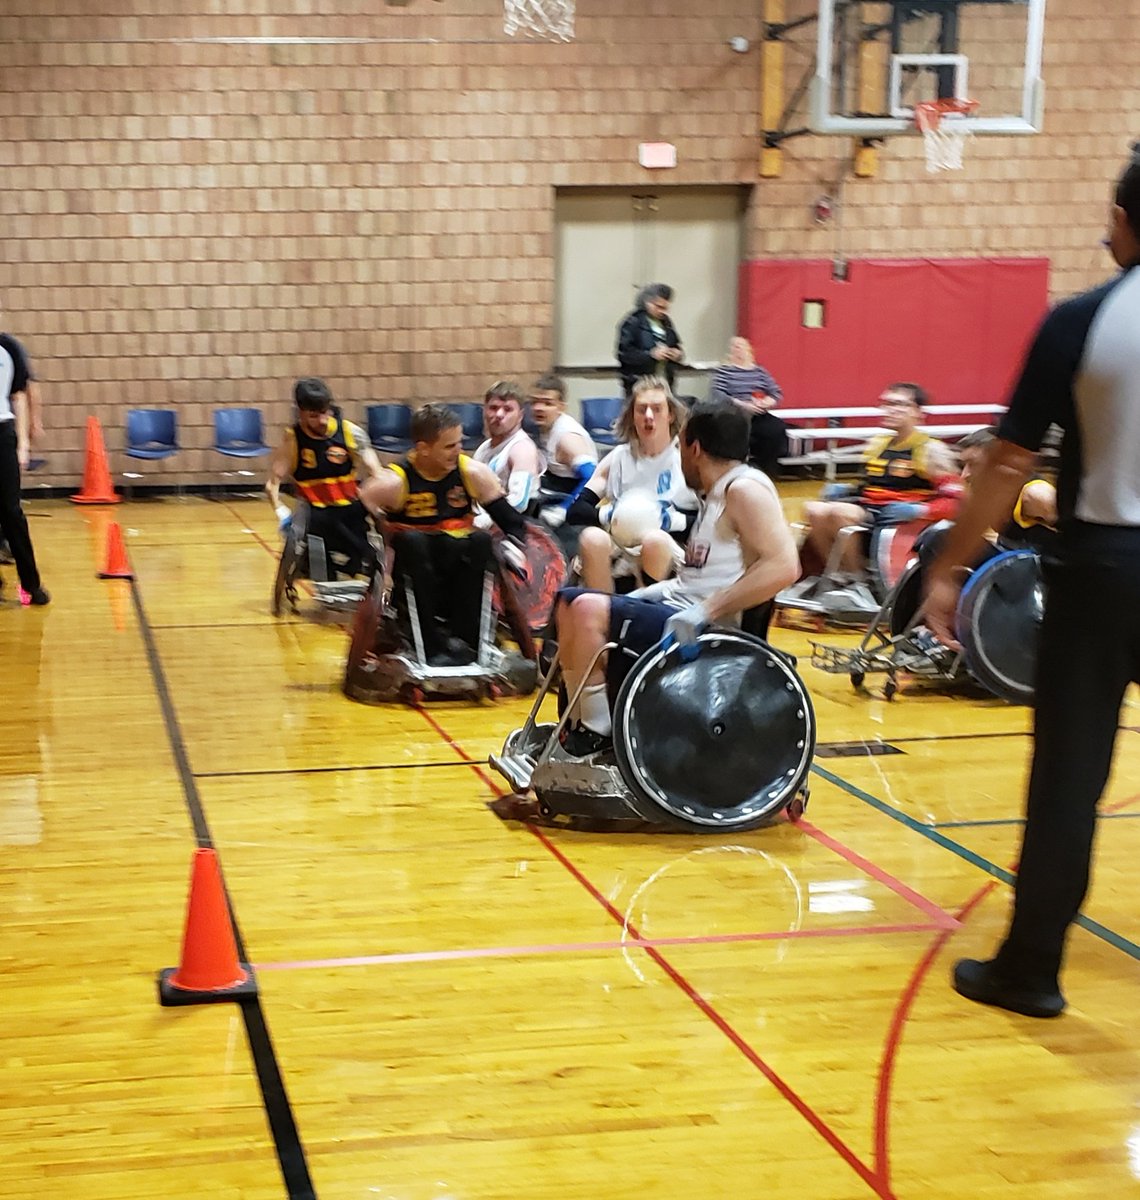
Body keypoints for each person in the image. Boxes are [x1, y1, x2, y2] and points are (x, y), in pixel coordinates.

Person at [923, 154, 1140, 1020]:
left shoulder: (1084, 320)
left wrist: (951, 566)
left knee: (1068, 777)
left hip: (1102, 574)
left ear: (1127, 217)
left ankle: (1031, 967)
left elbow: (1009, 461)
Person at [554, 398, 800, 757]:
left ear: (694, 447)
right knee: (569, 601)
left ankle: (598, 736)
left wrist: (705, 611)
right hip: (679, 612)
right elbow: (700, 578)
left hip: (713, 635)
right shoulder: (714, 496)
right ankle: (576, 723)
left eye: (680, 444)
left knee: (588, 609)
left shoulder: (745, 489)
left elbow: (784, 566)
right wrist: (651, 593)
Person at [360, 403, 529, 667]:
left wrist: (514, 547)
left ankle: (467, 641)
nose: (458, 451)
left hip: (459, 568)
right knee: (413, 541)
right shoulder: (394, 482)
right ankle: (428, 644)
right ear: (423, 448)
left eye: (459, 443)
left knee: (481, 540)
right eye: (449, 446)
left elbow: (512, 522)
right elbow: (360, 510)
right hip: (413, 573)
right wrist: (376, 553)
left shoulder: (472, 473)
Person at [798, 383, 962, 587]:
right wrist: (847, 490)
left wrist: (922, 510)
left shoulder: (930, 450)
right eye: (886, 403)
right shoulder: (877, 444)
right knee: (813, 509)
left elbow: (957, 501)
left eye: (899, 404)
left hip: (901, 519)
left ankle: (858, 578)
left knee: (840, 513)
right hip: (872, 510)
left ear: (918, 412)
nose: (890, 409)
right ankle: (835, 574)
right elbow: (870, 485)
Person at [565, 377, 697, 592]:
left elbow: (710, 521)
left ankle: (644, 614)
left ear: (670, 414)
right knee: (592, 538)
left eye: (656, 409)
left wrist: (664, 520)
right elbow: (576, 511)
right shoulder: (618, 458)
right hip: (621, 546)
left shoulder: (686, 459)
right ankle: (604, 612)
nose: (648, 416)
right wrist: (614, 515)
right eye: (641, 409)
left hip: (667, 549)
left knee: (654, 540)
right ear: (632, 416)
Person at [267, 378, 384, 580]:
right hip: (314, 513)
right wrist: (281, 511)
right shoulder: (292, 440)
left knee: (362, 528)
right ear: (301, 413)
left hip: (349, 510)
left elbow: (376, 473)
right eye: (313, 416)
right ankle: (320, 566)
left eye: (324, 412)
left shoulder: (351, 433)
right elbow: (273, 484)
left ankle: (362, 559)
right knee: (319, 522)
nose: (321, 420)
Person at [0, 330, 48, 605]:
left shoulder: (8, 348)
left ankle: (32, 584)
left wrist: (22, 446)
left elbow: (19, 396)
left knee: (11, 513)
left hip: (3, 433)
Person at [709, 336, 789, 478]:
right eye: (734, 346)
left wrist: (766, 402)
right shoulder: (724, 371)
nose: (737, 349)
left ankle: (767, 471)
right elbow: (717, 394)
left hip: (758, 413)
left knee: (776, 428)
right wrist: (742, 405)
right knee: (733, 432)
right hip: (734, 413)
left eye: (740, 346)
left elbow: (776, 392)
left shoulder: (760, 372)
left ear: (749, 350)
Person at [528, 373, 597, 520]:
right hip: (556, 485)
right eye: (535, 402)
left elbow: (592, 476)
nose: (539, 408)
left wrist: (564, 509)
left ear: (561, 407)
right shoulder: (544, 427)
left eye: (547, 403)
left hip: (576, 502)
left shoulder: (567, 439)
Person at [471, 380, 541, 521]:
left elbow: (519, 503)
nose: (499, 414)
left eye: (508, 409)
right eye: (493, 408)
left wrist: (484, 521)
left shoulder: (522, 449)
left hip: (514, 529)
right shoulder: (483, 448)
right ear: (484, 411)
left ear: (520, 415)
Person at [616, 283, 684, 399]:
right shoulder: (632, 322)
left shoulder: (667, 323)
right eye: (659, 307)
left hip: (665, 383)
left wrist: (677, 354)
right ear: (647, 303)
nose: (663, 312)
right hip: (638, 384)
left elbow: (676, 345)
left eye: (666, 308)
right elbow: (624, 355)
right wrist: (650, 355)